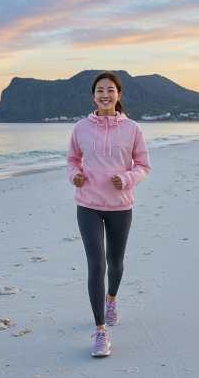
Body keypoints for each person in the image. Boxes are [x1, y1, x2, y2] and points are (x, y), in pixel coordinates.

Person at [66, 71, 151, 357]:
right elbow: (72, 160)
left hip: (120, 205)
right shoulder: (81, 128)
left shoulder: (132, 128)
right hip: (88, 203)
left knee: (115, 263)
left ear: (118, 95)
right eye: (100, 90)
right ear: (94, 96)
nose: (105, 94)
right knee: (96, 265)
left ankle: (111, 299)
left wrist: (126, 179)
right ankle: (101, 331)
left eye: (110, 90)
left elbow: (143, 165)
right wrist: (75, 176)